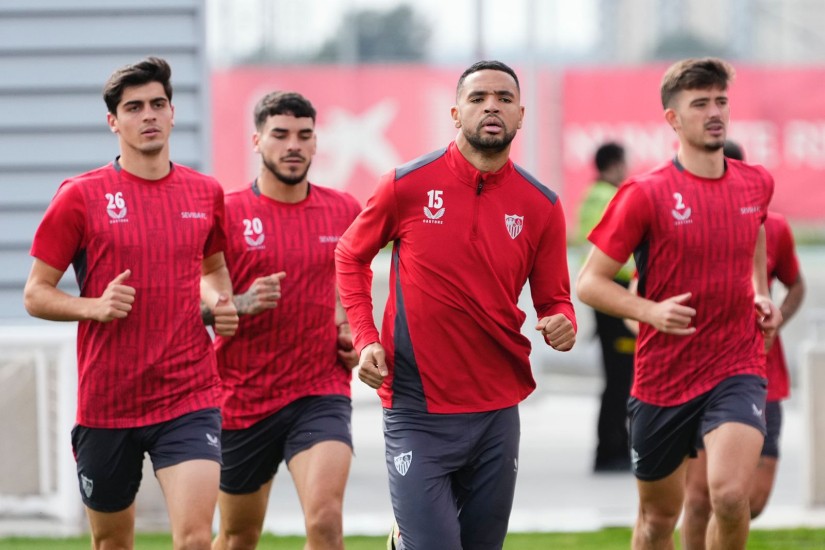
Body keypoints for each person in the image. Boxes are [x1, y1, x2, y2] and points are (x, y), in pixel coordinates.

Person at [335, 60, 577, 550]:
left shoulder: (541, 204)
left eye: (504, 99)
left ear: (521, 114)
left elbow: (555, 297)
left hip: (495, 408)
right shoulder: (405, 185)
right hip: (416, 404)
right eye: (478, 97)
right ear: (455, 112)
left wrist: (563, 321)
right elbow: (349, 255)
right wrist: (365, 339)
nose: (492, 106)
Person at [23, 57, 238, 550]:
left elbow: (211, 270)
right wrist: (93, 306)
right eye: (134, 107)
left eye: (158, 104)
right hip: (108, 402)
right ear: (113, 121)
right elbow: (36, 293)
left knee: (194, 539)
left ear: (173, 113)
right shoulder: (80, 196)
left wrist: (218, 302)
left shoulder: (205, 193)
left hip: (189, 395)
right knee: (113, 543)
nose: (149, 115)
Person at [576, 57, 781, 550]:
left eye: (721, 102)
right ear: (673, 118)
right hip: (663, 379)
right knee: (656, 519)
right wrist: (650, 311)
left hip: (737, 365)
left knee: (730, 497)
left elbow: (754, 235)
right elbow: (589, 283)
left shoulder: (756, 183)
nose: (715, 113)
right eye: (700, 104)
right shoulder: (643, 194)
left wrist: (760, 293)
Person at [208, 91, 361, 550]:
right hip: (242, 397)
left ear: (316, 144)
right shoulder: (228, 212)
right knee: (238, 537)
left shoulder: (345, 210)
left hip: (320, 392)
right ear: (257, 140)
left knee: (326, 521)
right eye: (280, 134)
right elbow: (199, 295)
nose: (292, 145)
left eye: (304, 135)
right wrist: (238, 302)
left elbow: (350, 289)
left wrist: (351, 328)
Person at [680, 141, 806, 549]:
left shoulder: (775, 226)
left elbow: (795, 284)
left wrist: (777, 315)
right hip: (698, 376)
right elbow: (633, 287)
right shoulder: (679, 221)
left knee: (749, 499)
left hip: (761, 373)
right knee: (702, 499)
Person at [576, 142, 636, 472]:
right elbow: (620, 253)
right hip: (615, 293)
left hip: (605, 296)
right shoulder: (609, 199)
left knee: (618, 375)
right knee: (621, 377)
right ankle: (611, 450)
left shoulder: (591, 198)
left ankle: (614, 447)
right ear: (614, 164)